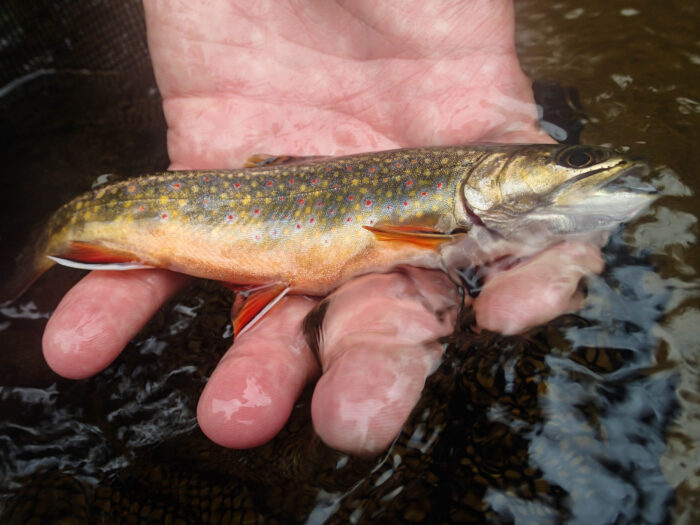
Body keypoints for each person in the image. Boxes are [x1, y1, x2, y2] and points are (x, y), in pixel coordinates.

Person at [41, 0, 603, 456]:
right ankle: (37, 255)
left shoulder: (471, 199)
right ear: (488, 174)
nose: (578, 169)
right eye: (574, 163)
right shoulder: (452, 210)